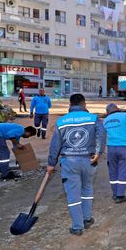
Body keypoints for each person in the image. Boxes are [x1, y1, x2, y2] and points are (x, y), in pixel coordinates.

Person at [47, 94, 104, 236]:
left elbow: (55, 145)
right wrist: (98, 152)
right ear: (84, 104)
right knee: (87, 188)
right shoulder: (93, 118)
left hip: (69, 162)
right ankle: (87, 218)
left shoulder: (61, 121)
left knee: (73, 194)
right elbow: (101, 134)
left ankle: (78, 227)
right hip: (89, 160)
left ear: (70, 104)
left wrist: (51, 163)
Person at [103, 103, 126, 203]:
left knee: (113, 171)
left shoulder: (105, 120)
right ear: (117, 108)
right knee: (123, 171)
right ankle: (120, 195)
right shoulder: (125, 116)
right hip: (124, 148)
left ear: (108, 112)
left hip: (111, 148)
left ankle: (115, 194)